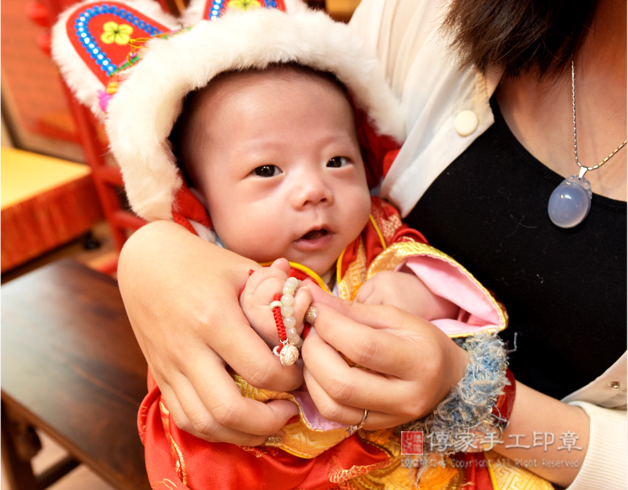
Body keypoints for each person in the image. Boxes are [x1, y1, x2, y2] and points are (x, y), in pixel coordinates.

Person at [105, 0, 624, 489]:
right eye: (267, 171)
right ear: (198, 198)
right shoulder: (417, 16)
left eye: (337, 161)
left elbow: (436, 276)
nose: (314, 190)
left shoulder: (377, 240)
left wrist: (424, 299)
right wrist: (153, 255)